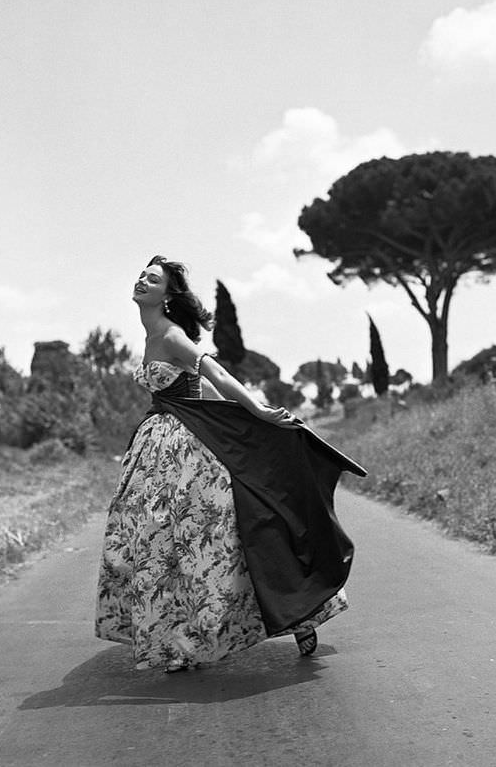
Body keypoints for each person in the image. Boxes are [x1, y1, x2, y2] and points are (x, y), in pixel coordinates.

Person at [95, 255, 365, 673]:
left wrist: (255, 413)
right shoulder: (150, 338)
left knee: (222, 538)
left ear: (168, 295)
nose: (142, 282)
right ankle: (182, 638)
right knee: (158, 543)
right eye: (141, 276)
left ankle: (302, 614)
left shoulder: (170, 336)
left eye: (153, 279)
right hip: (158, 444)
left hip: (187, 448)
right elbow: (197, 388)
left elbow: (215, 375)